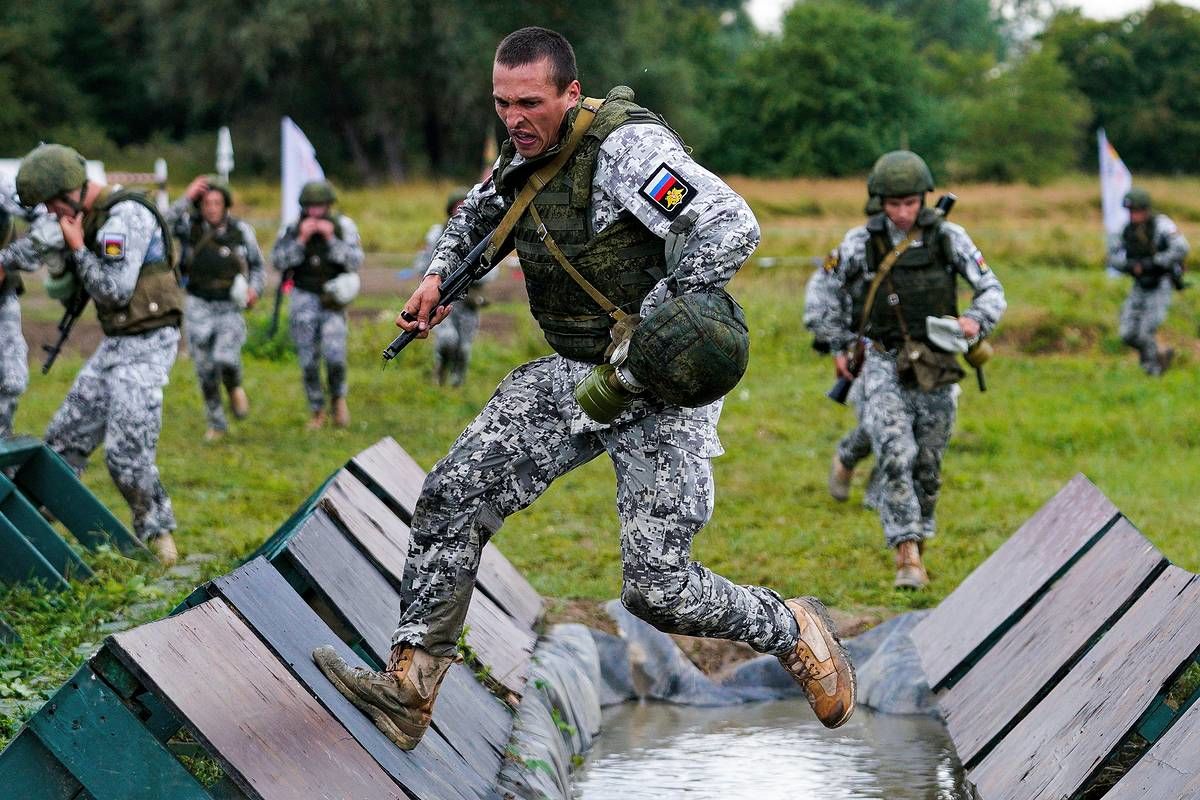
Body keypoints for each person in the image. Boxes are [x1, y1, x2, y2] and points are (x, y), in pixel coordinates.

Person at [313, 26, 855, 751]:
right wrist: (442, 276)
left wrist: (658, 331)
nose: (513, 117)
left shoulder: (629, 151)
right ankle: (411, 687)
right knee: (453, 493)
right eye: (502, 102)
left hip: (658, 388)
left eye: (529, 102)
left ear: (571, 94)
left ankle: (792, 628)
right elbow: (479, 214)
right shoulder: (523, 152)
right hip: (574, 372)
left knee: (656, 588)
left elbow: (732, 224)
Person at [810, 151, 1006, 590]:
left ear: (924, 198)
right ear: (879, 202)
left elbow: (991, 288)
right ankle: (907, 555)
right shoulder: (859, 243)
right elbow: (823, 289)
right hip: (881, 359)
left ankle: (920, 538)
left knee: (928, 465)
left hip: (937, 362)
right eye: (893, 203)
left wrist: (976, 320)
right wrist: (839, 343)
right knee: (897, 454)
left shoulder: (949, 238)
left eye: (911, 202)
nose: (902, 213)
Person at [15, 143, 184, 565]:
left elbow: (114, 289)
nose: (53, 215)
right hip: (118, 343)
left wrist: (76, 247)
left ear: (68, 193)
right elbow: (56, 272)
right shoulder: (91, 218)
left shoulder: (125, 216)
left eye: (52, 206)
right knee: (63, 440)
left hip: (149, 343)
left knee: (126, 451)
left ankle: (161, 542)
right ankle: (26, 535)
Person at [168, 175, 265, 440]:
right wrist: (186, 198)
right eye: (206, 202)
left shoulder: (241, 231)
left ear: (225, 204)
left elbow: (257, 266)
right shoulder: (189, 227)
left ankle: (234, 387)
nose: (211, 207)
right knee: (205, 369)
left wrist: (255, 289)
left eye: (217, 202)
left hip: (229, 306)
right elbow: (162, 224)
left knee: (225, 359)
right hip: (199, 303)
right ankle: (217, 423)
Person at [270, 180, 363, 429]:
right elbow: (278, 261)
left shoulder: (343, 226)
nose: (315, 212)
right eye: (310, 207)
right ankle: (317, 409)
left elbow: (355, 260)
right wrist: (301, 239)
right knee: (308, 360)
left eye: (320, 206)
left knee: (335, 356)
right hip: (303, 297)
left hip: (332, 298)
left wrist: (331, 239)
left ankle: (338, 399)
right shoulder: (291, 228)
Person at [413, 188, 491, 387]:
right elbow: (422, 264)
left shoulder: (483, 236)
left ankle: (457, 386)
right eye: (457, 207)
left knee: (464, 348)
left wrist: (470, 273)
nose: (460, 211)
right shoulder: (438, 235)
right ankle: (440, 372)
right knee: (447, 340)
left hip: (468, 299)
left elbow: (490, 270)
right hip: (442, 299)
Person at [1107, 187, 1189, 376]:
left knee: (1146, 330)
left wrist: (1154, 262)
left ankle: (1153, 369)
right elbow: (1112, 256)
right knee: (1127, 333)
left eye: (1136, 211)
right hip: (1139, 284)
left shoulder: (1162, 226)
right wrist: (1129, 265)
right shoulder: (1126, 230)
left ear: (1145, 210)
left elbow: (1181, 248)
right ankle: (1159, 353)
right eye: (1130, 211)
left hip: (1161, 282)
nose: (1133, 215)